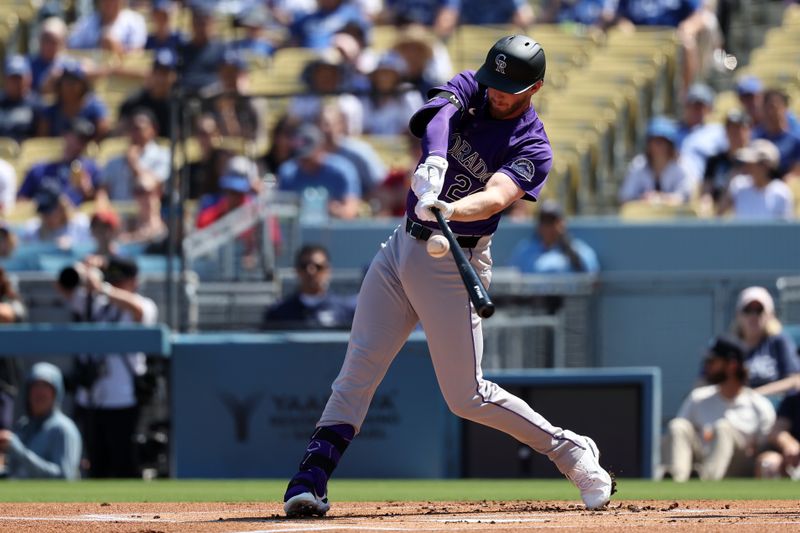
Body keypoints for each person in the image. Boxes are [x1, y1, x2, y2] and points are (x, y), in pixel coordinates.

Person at [281, 34, 614, 518]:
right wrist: (435, 160)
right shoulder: (473, 87)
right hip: (401, 247)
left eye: (508, 88)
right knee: (358, 371)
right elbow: (438, 117)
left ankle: (571, 451)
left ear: (534, 89)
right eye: (494, 81)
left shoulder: (533, 145)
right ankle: (310, 479)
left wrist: (453, 208)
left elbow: (498, 196)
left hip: (454, 258)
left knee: (467, 397)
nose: (496, 92)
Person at [62, 256, 158, 478]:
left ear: (134, 280)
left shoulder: (142, 304)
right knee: (97, 465)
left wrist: (103, 288)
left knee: (124, 462)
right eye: (112, 279)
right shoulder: (95, 303)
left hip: (124, 398)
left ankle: (131, 511)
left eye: (120, 280)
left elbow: (137, 310)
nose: (115, 284)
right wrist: (82, 269)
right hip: (92, 396)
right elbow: (63, 287)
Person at [662, 335, 775, 481]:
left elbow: (764, 450)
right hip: (701, 462)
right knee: (678, 425)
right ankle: (676, 483)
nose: (706, 366)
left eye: (712, 361)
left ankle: (706, 481)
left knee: (723, 428)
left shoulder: (759, 405)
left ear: (732, 365)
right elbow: (679, 435)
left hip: (739, 468)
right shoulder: (698, 397)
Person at [0, 362, 82, 479]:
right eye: (35, 386)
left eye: (45, 387)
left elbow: (65, 477)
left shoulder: (63, 429)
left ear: (56, 393)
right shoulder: (23, 425)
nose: (39, 392)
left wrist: (18, 451)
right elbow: (16, 474)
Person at [277, 123, 363, 219]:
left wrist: (331, 210)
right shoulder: (288, 172)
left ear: (321, 147)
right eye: (301, 159)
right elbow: (280, 210)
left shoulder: (342, 171)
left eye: (308, 158)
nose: (304, 163)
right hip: (297, 231)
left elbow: (350, 211)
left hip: (333, 230)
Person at [262, 244, 356, 330]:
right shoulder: (279, 312)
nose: (311, 271)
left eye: (318, 267)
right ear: (296, 270)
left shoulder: (344, 311)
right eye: (304, 266)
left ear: (328, 270)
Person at [17, 117, 100, 206]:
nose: (81, 143)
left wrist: (87, 191)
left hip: (77, 217)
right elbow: (21, 201)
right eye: (79, 137)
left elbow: (97, 205)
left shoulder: (92, 169)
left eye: (85, 140)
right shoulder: (39, 169)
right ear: (66, 135)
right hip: (43, 216)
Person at [731, 286, 800, 391]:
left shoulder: (778, 341)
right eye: (748, 310)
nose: (753, 316)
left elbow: (795, 379)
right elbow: (705, 383)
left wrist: (756, 395)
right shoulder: (728, 346)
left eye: (759, 310)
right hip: (734, 405)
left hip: (773, 404)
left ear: (770, 315)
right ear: (738, 315)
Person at [618, 116, 696, 206]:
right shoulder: (638, 164)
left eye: (663, 141)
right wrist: (643, 199)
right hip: (644, 218)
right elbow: (625, 198)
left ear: (670, 145)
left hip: (675, 218)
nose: (659, 146)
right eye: (655, 141)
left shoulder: (682, 166)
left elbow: (686, 198)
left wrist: (660, 198)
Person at [97, 109, 170, 202]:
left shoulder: (163, 156)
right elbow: (103, 190)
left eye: (139, 129)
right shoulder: (114, 161)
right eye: (131, 129)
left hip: (147, 212)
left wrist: (134, 163)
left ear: (153, 130)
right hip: (118, 213)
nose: (134, 133)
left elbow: (148, 186)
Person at [510, 201, 599, 274]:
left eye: (552, 221)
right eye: (544, 221)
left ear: (562, 223)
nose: (548, 227)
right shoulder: (525, 251)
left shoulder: (579, 251)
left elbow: (593, 280)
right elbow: (511, 278)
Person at [717, 139, 794, 220]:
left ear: (765, 166)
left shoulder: (781, 192)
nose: (747, 166)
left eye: (752, 163)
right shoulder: (737, 185)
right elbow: (719, 215)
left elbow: (786, 228)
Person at [36, 61, 109, 139]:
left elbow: (102, 132)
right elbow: (42, 141)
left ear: (83, 85)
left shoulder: (95, 106)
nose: (70, 87)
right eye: (66, 82)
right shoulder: (50, 111)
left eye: (74, 82)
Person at [360, 51, 424, 136]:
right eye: (381, 74)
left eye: (388, 74)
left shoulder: (409, 95)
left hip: (402, 147)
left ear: (398, 76)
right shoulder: (366, 98)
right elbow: (365, 130)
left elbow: (415, 130)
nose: (384, 78)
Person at [118, 48, 177, 139]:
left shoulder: (179, 105)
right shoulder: (134, 102)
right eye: (158, 73)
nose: (161, 79)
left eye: (165, 74)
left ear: (173, 77)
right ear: (151, 74)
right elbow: (120, 134)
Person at [700, 109, 751, 212]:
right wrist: (706, 205)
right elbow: (706, 191)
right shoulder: (714, 160)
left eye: (739, 128)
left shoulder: (755, 162)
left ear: (748, 131)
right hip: (718, 214)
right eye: (731, 128)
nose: (735, 133)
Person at [20, 181, 92, 250]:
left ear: (61, 207)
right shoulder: (32, 230)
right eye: (43, 212)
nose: (46, 216)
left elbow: (90, 251)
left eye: (50, 212)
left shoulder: (80, 225)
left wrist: (73, 247)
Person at [176, 4, 227, 94]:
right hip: (185, 95)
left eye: (205, 24)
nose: (202, 28)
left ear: (212, 25)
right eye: (198, 23)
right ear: (192, 25)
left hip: (212, 95)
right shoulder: (182, 49)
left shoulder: (220, 49)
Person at [752, 89, 800, 181]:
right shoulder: (756, 136)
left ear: (785, 108)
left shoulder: (796, 136)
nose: (772, 112)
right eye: (768, 107)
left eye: (775, 107)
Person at [67, 0, 147, 53]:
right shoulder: (87, 22)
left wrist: (115, 47)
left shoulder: (135, 20)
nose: (109, 3)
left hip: (123, 75)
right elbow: (71, 47)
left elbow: (137, 53)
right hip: (92, 74)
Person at [755, 390, 800, 479]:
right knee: (768, 463)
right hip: (793, 461)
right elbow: (777, 430)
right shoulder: (793, 399)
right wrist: (790, 444)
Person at [0, 55, 38, 142]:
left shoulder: (36, 105)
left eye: (19, 78)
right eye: (12, 78)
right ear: (5, 79)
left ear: (29, 78)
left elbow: (39, 140)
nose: (16, 82)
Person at [28, 17, 69, 95]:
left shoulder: (68, 63)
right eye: (45, 39)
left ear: (62, 42)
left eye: (53, 41)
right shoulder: (27, 64)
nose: (48, 45)